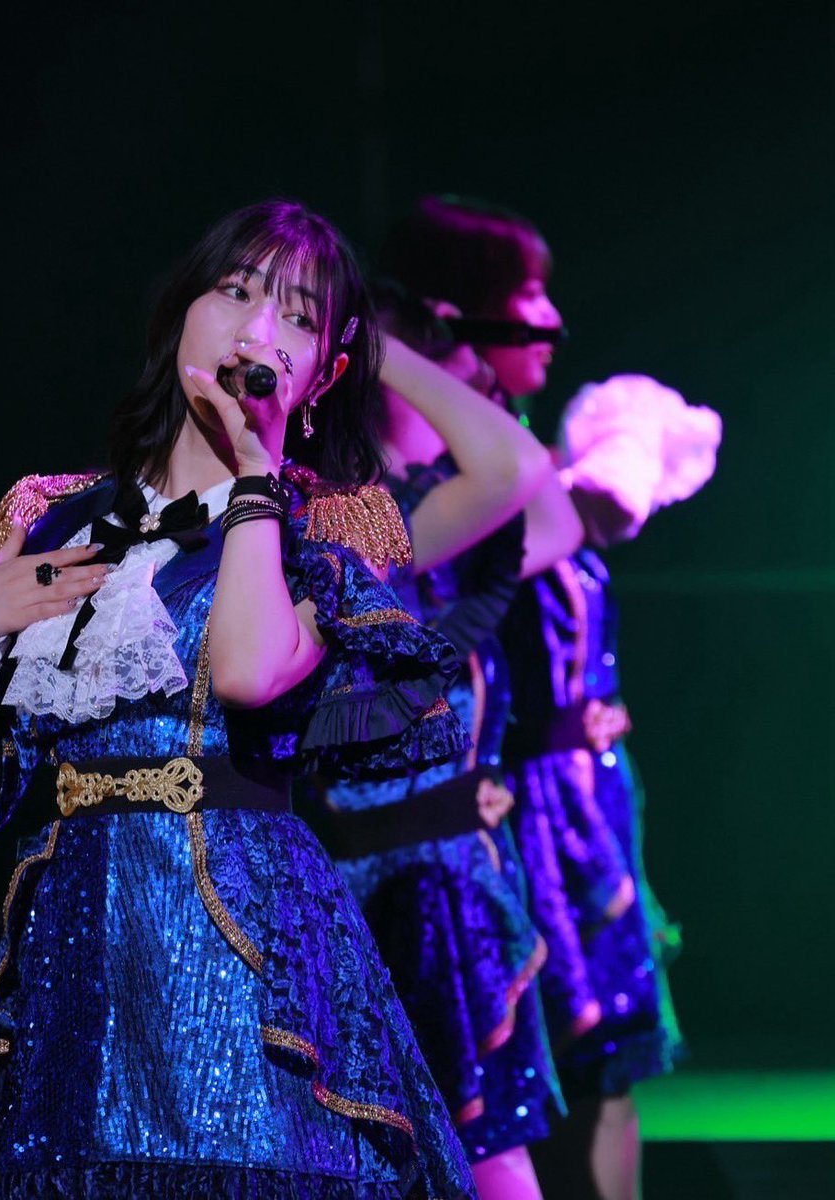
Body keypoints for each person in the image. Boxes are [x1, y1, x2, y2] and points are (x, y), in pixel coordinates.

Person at [0, 200, 486, 1199]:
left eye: (296, 315)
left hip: (245, 955)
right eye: (236, 292)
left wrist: (255, 478)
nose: (257, 329)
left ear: (325, 372)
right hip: (85, 960)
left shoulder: (324, 530)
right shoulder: (55, 519)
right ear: (181, 314)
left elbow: (246, 671)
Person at [381, 195, 717, 1200]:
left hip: (573, 801)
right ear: (458, 313)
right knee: (509, 1097)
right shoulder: (431, 487)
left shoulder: (513, 463)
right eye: (527, 295)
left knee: (600, 1071)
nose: (551, 320)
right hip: (489, 816)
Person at [300, 283, 584, 1200]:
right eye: (445, 368)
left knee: (483, 1147)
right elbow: (511, 466)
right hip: (386, 882)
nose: (469, 386)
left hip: (451, 871)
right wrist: (376, 345)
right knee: (434, 1156)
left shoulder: (434, 527)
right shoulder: (352, 531)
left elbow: (550, 510)